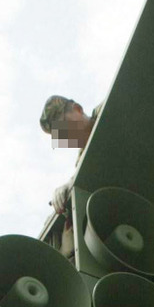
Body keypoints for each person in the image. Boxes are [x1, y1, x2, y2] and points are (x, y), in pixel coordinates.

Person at [38, 95, 103, 258]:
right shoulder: (81, 162)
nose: (66, 138)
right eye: (60, 136)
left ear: (78, 109)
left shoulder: (108, 111)